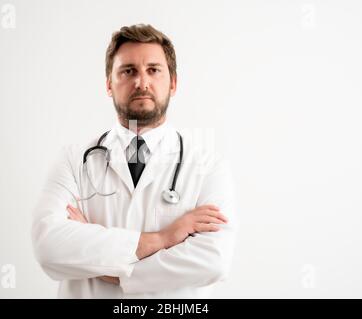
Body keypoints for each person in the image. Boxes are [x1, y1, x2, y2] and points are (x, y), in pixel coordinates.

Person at [32, 24, 236, 298]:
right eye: (128, 71)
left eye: (153, 70)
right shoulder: (74, 160)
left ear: (173, 83)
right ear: (108, 84)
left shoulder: (208, 165)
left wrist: (108, 270)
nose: (142, 82)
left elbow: (213, 261)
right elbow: (49, 247)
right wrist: (163, 239)